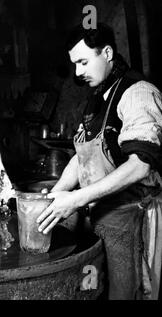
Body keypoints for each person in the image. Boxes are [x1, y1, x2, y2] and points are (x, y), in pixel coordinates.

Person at [36, 24, 162, 299]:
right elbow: (83, 157)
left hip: (132, 218)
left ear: (107, 52)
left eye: (83, 61)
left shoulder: (137, 92)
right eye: (75, 64)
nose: (78, 72)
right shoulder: (97, 99)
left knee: (126, 293)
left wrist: (78, 198)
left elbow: (141, 164)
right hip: (101, 217)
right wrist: (59, 191)